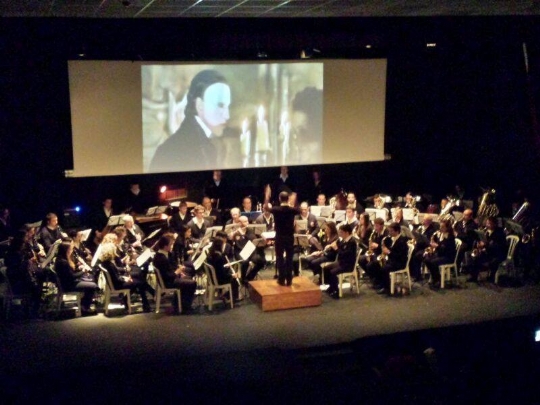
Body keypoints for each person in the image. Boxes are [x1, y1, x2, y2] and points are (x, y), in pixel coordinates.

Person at [149, 70, 231, 173]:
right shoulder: (175, 149)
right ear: (200, 104)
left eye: (228, 106)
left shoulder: (205, 144)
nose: (227, 115)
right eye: (220, 105)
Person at [99, 242, 152, 313]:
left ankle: (140, 303)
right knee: (140, 282)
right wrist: (126, 279)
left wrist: (125, 274)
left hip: (117, 282)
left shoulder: (106, 262)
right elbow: (117, 278)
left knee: (138, 280)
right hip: (118, 285)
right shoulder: (109, 264)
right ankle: (145, 305)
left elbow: (116, 273)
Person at [264, 184, 299, 286]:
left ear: (279, 199)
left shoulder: (276, 209)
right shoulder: (292, 210)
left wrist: (267, 196)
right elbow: (299, 209)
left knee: (279, 258)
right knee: (289, 258)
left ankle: (281, 279)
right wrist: (293, 199)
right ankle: (289, 279)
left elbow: (266, 207)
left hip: (279, 237)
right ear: (288, 199)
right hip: (289, 237)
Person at [152, 235, 196, 313]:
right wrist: (177, 272)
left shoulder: (165, 254)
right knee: (192, 283)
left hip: (170, 278)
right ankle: (185, 307)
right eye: (171, 245)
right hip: (168, 282)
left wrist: (179, 271)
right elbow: (167, 276)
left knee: (188, 275)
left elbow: (171, 267)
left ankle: (179, 302)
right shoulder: (161, 258)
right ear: (165, 246)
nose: (172, 246)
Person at [54, 242, 98, 315]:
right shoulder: (63, 262)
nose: (72, 250)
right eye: (70, 249)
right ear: (66, 250)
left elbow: (70, 273)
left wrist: (79, 269)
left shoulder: (62, 259)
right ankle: (85, 308)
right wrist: (83, 271)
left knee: (90, 279)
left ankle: (84, 303)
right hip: (68, 285)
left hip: (69, 282)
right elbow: (72, 276)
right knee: (92, 286)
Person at [366, 222, 409, 295]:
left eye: (391, 231)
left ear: (397, 231)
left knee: (384, 268)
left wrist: (389, 252)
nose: (389, 232)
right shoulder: (392, 239)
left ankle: (387, 288)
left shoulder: (402, 241)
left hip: (399, 262)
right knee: (373, 264)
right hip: (392, 260)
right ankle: (380, 283)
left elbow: (400, 256)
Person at [323, 224, 357, 299]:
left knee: (332, 272)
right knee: (326, 268)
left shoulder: (352, 242)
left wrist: (336, 248)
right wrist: (330, 246)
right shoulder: (343, 240)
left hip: (348, 264)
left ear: (347, 233)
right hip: (341, 262)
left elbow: (345, 254)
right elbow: (338, 246)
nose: (340, 234)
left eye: (341, 232)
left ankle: (336, 291)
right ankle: (331, 287)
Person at [423, 219, 457, 288]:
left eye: (442, 227)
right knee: (426, 259)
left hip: (448, 257)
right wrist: (433, 242)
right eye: (440, 227)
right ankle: (436, 277)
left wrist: (437, 246)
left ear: (447, 228)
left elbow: (445, 249)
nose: (440, 228)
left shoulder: (450, 237)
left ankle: (436, 279)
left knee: (433, 262)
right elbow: (438, 244)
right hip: (440, 254)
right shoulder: (440, 234)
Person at [206, 237, 239, 303]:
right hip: (219, 279)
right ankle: (228, 297)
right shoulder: (219, 257)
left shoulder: (211, 254)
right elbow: (222, 273)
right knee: (235, 281)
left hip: (213, 278)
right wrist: (232, 275)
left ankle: (227, 296)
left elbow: (219, 269)